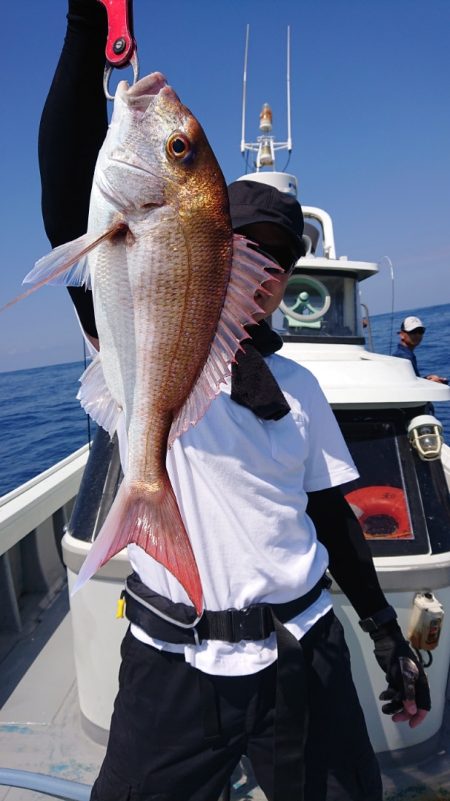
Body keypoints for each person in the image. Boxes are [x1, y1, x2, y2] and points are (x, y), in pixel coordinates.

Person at [39, 3, 430, 800]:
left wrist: (386, 632)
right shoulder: (141, 339)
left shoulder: (302, 387)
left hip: (302, 656)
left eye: (283, 262)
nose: (269, 272)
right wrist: (87, 30)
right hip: (171, 665)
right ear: (217, 255)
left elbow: (331, 518)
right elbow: (64, 178)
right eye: (252, 251)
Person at [394, 316, 448, 384]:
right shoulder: (404, 357)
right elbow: (411, 386)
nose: (417, 335)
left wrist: (427, 379)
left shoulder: (405, 354)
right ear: (402, 334)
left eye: (420, 331)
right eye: (413, 332)